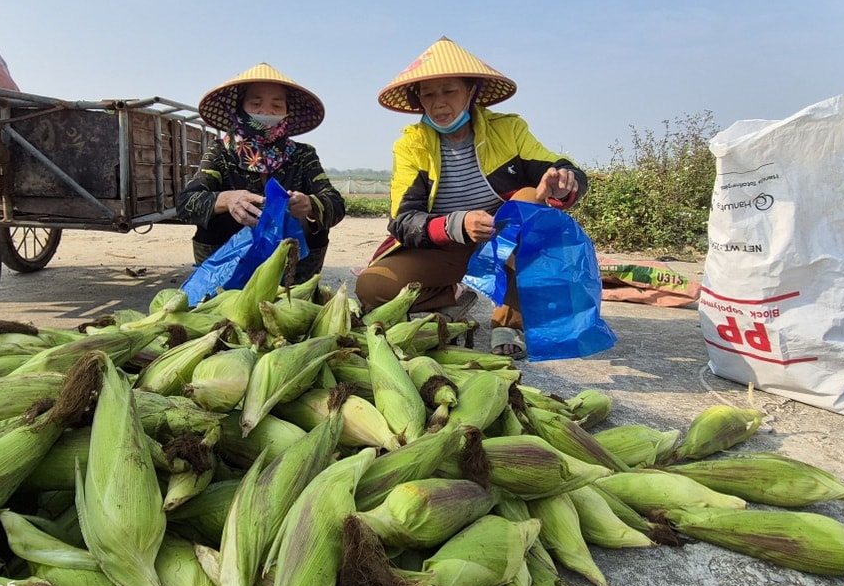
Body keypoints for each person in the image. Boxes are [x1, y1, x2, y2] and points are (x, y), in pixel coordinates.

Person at [355, 37, 589, 359]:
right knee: (372, 287)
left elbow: (560, 169)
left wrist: (564, 182)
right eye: (429, 94)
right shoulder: (411, 145)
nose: (439, 103)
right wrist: (457, 225)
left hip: (499, 245)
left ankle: (508, 321)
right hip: (445, 247)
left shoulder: (509, 130)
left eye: (449, 91)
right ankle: (451, 296)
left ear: (471, 92)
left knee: (529, 198)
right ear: (419, 100)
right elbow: (403, 220)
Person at [177, 63, 345, 284]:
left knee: (315, 225)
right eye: (256, 103)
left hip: (289, 256)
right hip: (228, 260)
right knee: (217, 216)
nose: (266, 112)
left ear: (287, 113)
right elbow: (186, 203)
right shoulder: (221, 152)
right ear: (240, 109)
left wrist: (310, 204)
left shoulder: (303, 155)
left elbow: (336, 203)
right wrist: (226, 199)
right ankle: (218, 291)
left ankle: (296, 288)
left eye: (277, 105)